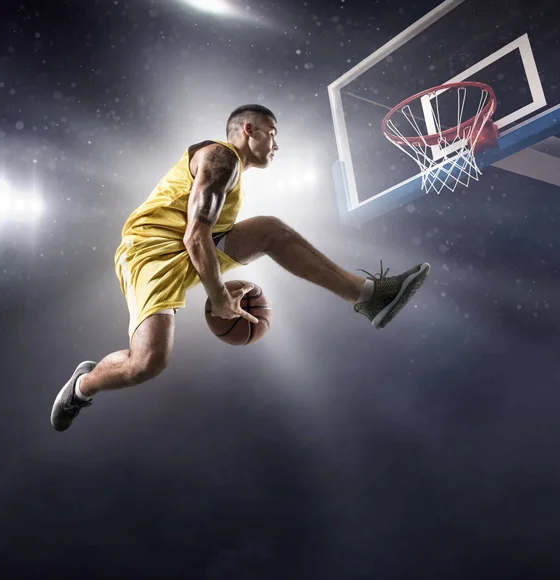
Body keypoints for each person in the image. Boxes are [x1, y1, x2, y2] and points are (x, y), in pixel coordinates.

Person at [51, 104, 430, 432]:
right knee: (148, 362)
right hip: (151, 249)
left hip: (188, 243)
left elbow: (200, 237)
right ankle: (83, 386)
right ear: (249, 130)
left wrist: (218, 290)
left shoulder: (232, 174)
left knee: (270, 230)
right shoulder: (221, 159)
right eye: (272, 133)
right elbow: (194, 238)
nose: (276, 144)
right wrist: (218, 297)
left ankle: (369, 297)